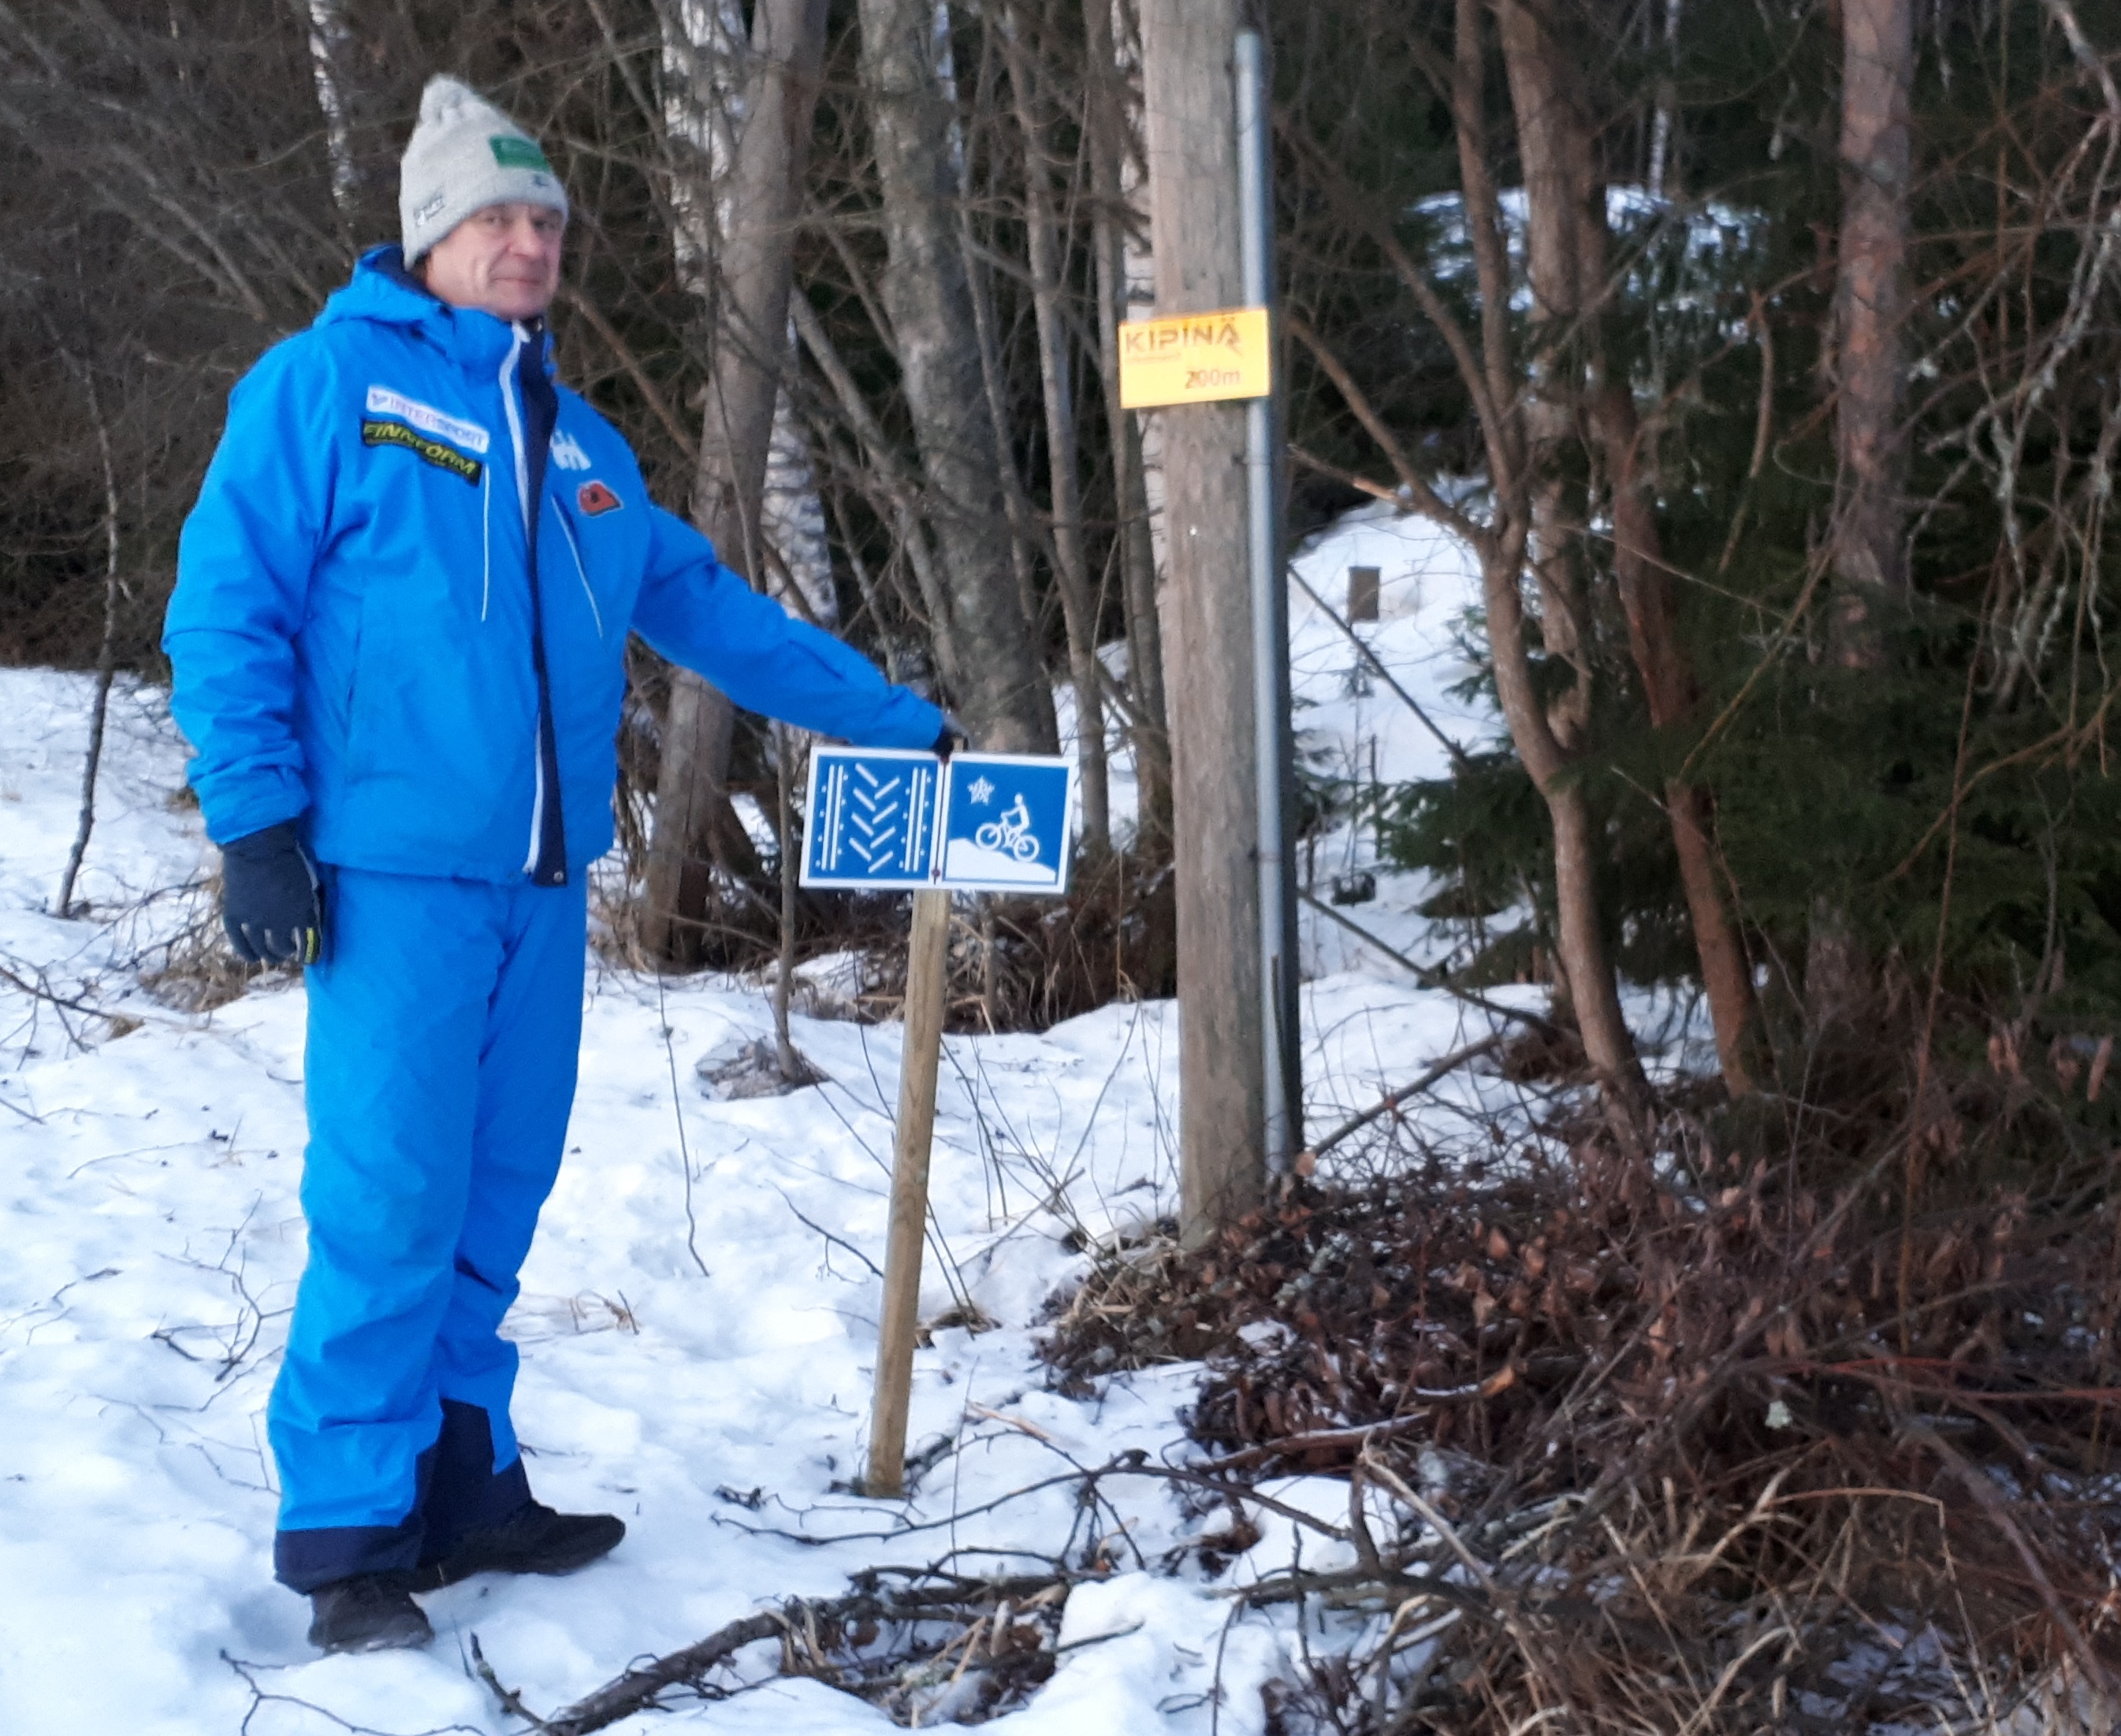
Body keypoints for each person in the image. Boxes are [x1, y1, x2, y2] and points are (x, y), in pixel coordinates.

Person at [163, 76, 949, 1656]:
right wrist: (253, 821)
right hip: (388, 878)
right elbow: (225, 599)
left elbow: (712, 613)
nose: (526, 242)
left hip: (537, 889)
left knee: (492, 1202)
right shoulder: (329, 385)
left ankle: (466, 1483)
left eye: (545, 221)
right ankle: (349, 1535)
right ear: (431, 234)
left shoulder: (583, 445)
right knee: (389, 1200)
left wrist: (894, 720)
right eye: (495, 218)